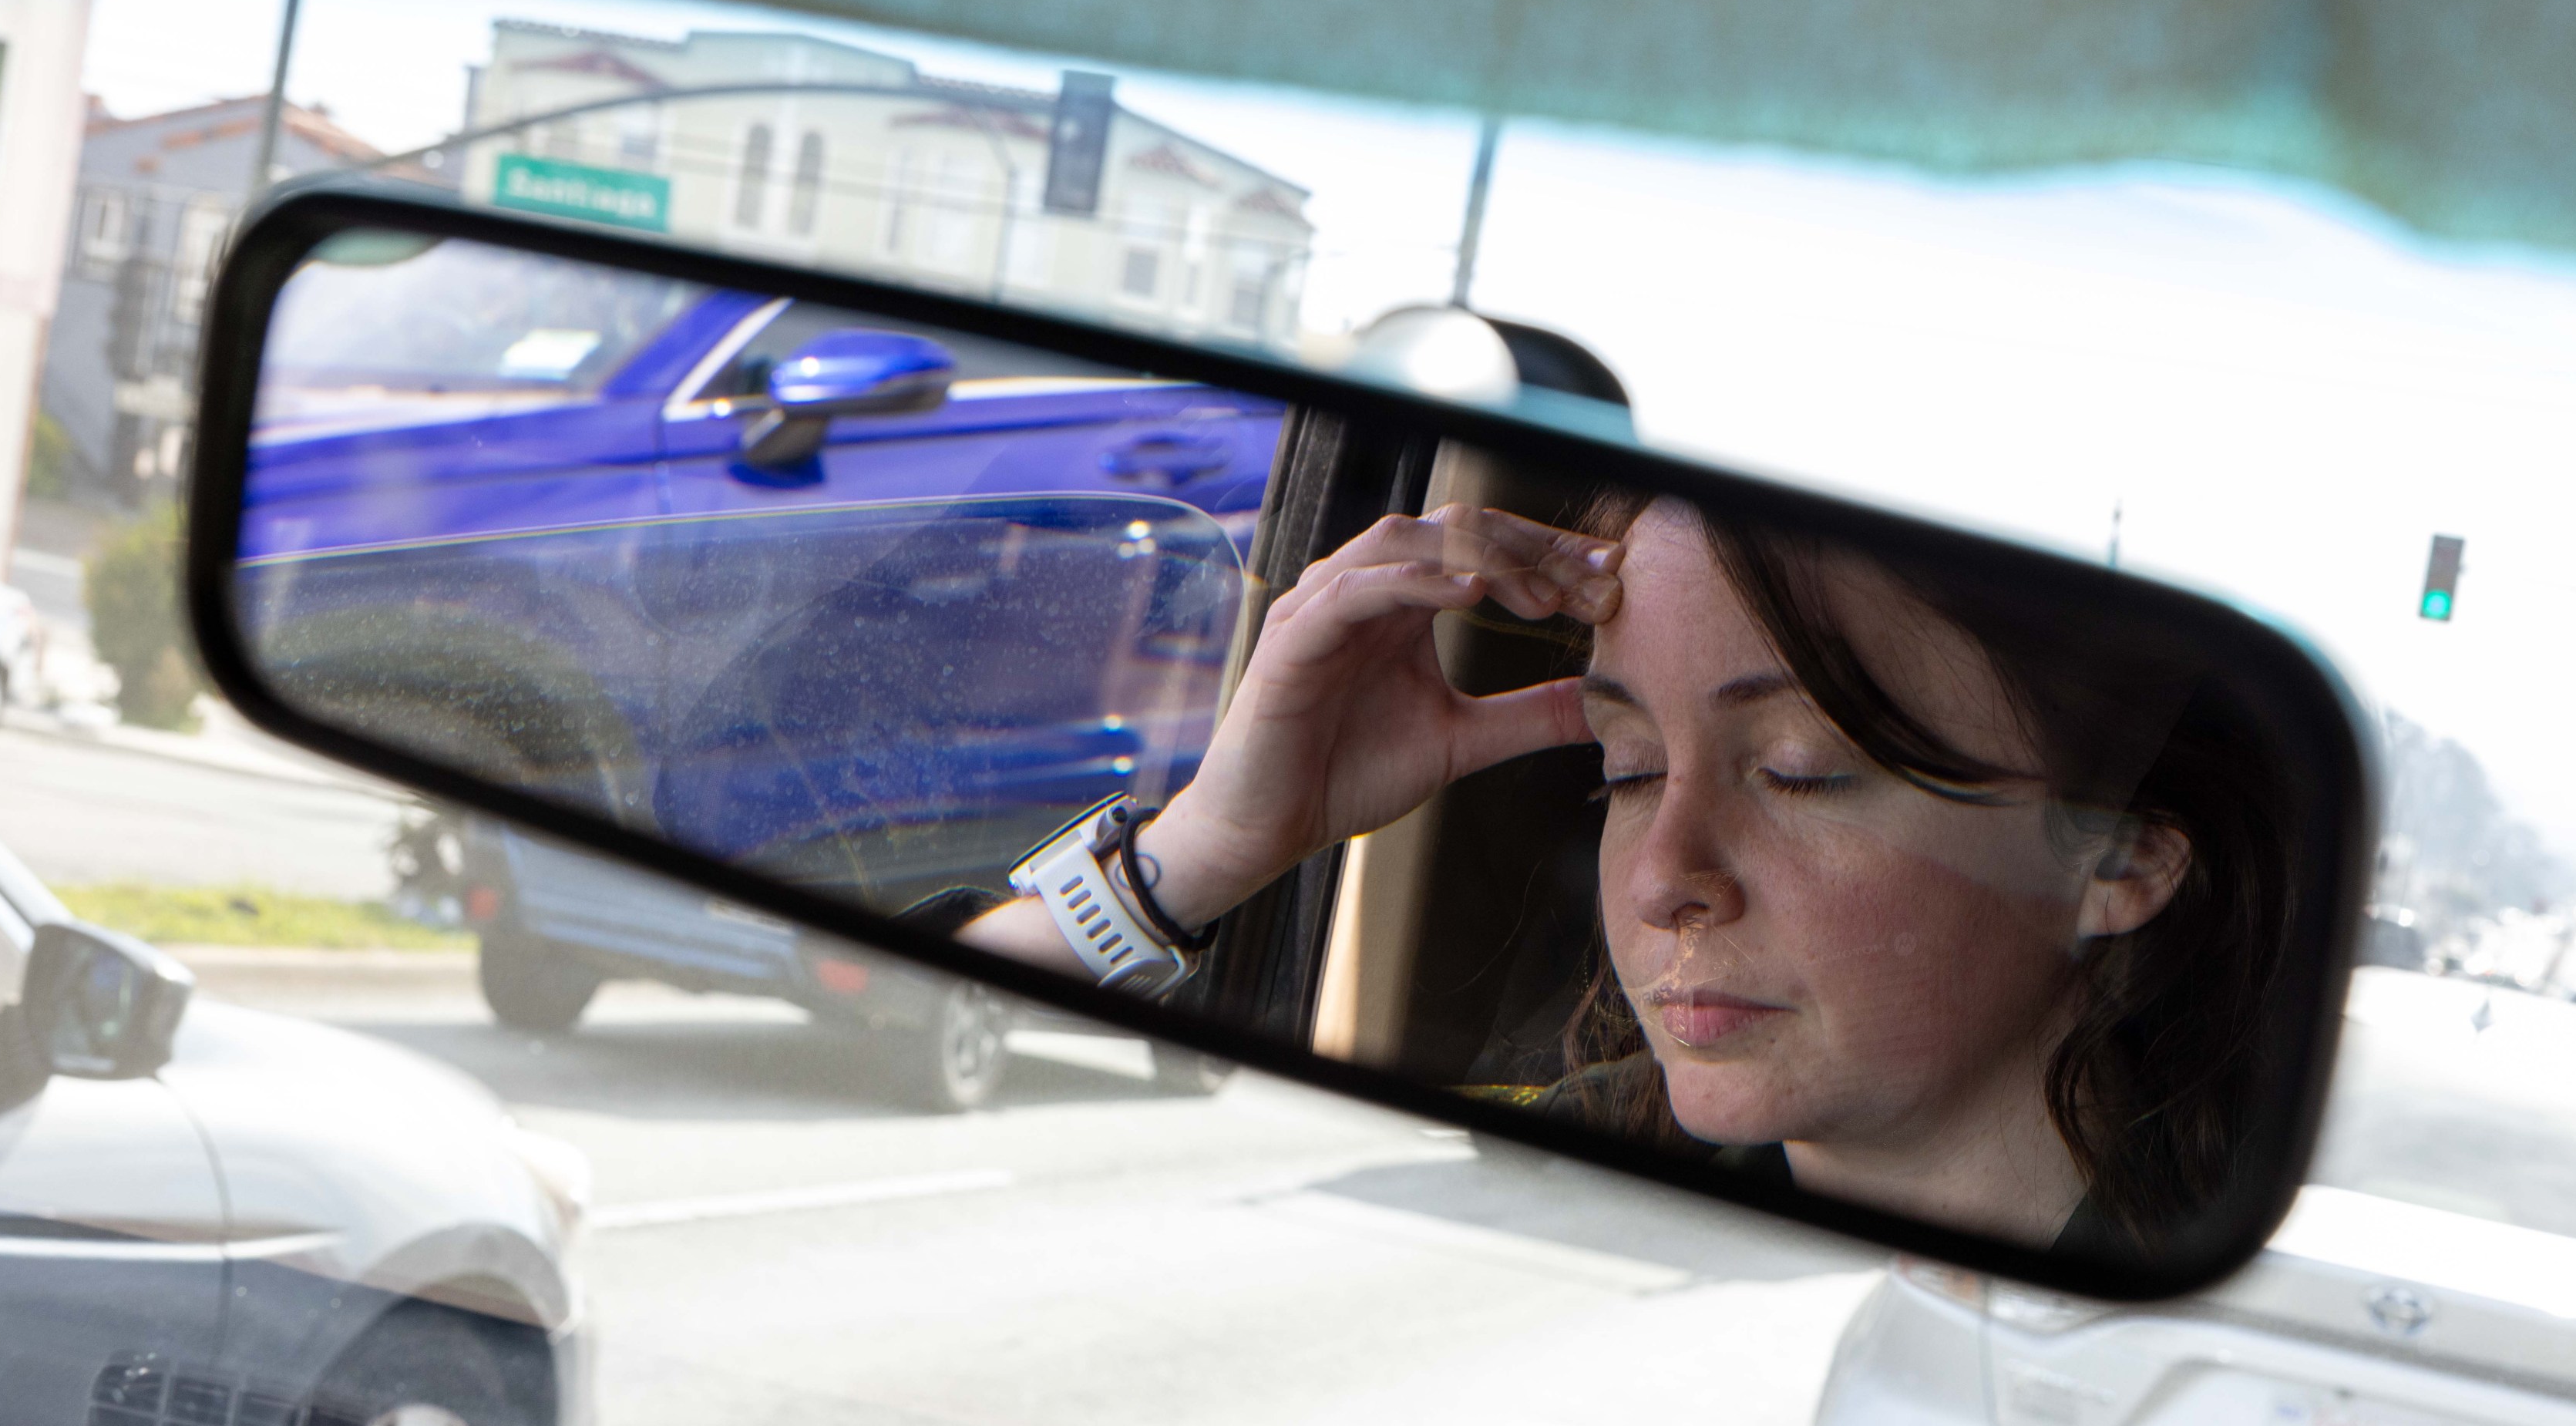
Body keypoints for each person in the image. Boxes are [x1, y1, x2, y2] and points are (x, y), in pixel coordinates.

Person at [966, 494, 2292, 1251]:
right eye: (1626, 766)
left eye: (1800, 770)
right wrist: (1198, 853)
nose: (1665, 877)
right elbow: (893, 1087)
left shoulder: (2233, 1309)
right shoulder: (1529, 1189)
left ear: (2117, 858)